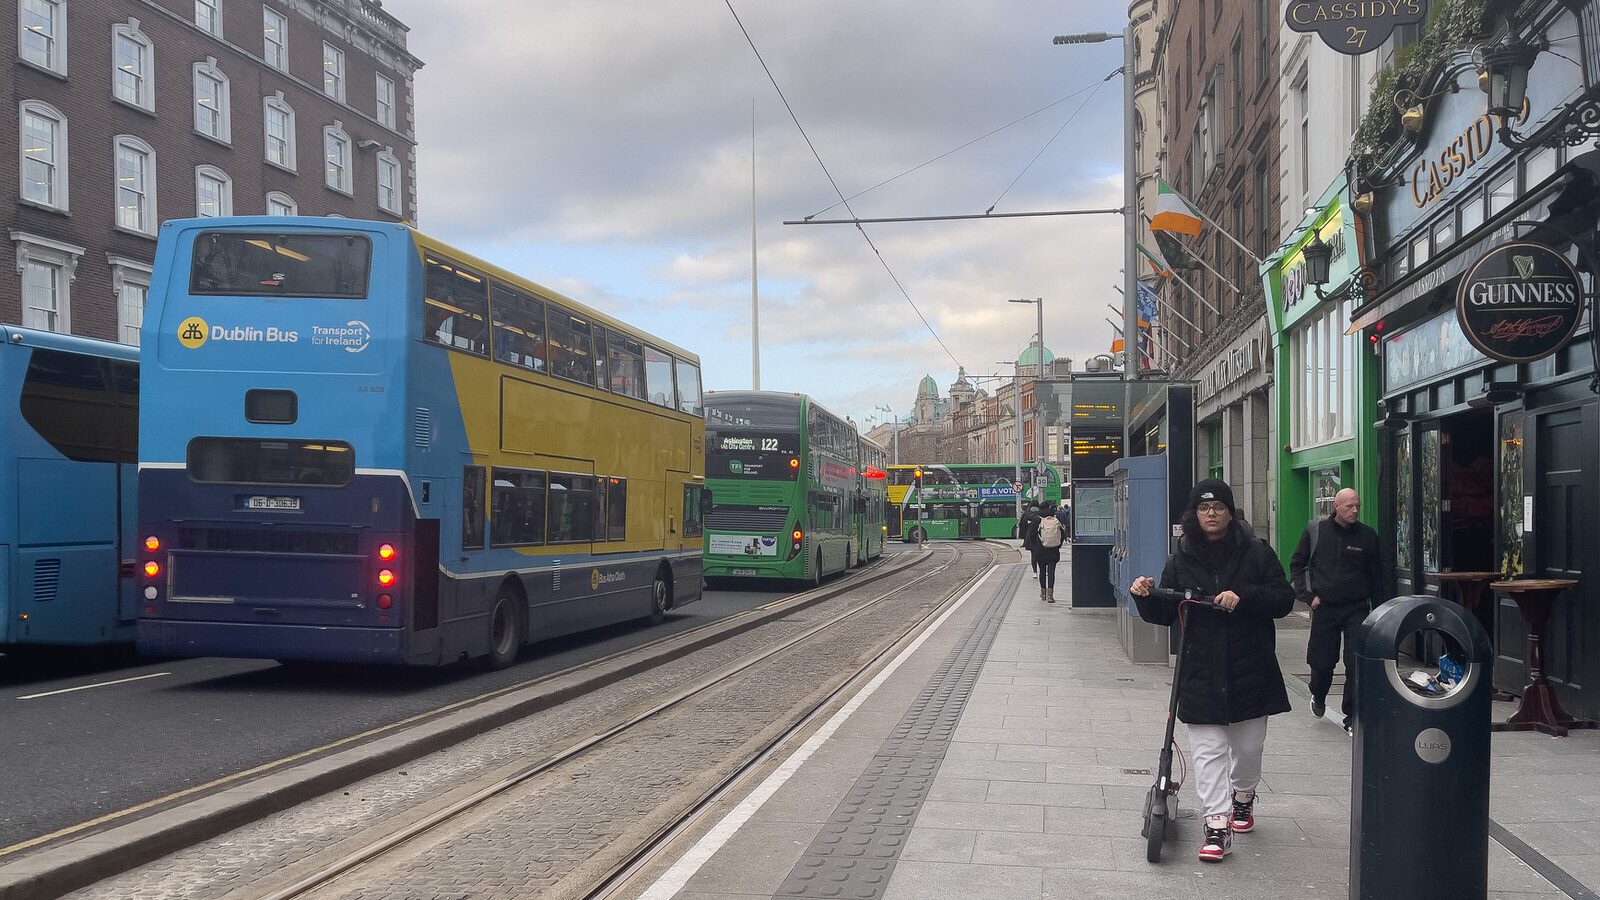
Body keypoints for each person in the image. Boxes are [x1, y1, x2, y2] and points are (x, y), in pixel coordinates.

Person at [1129, 478, 1294, 864]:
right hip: (1200, 668)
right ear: (1194, 515)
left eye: (1219, 507)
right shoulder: (1181, 559)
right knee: (1208, 751)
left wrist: (1245, 596)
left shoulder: (1256, 553)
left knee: (1248, 748)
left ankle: (1244, 796)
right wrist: (1145, 596)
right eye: (1204, 509)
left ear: (1230, 512)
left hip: (1250, 667)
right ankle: (1216, 824)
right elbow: (1167, 613)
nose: (1211, 514)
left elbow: (1284, 599)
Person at [1290, 488, 1384, 733]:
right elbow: (1298, 565)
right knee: (1322, 662)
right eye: (1349, 506)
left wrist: (1381, 611)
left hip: (1356, 608)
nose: (1354, 511)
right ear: (1336, 506)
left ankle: (1351, 716)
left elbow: (1377, 576)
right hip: (1326, 606)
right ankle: (1318, 694)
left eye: (1357, 506)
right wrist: (1309, 597)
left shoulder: (1367, 536)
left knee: (1356, 662)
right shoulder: (1316, 531)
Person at [1032, 500, 1065, 602]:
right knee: (1051, 572)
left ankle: (1043, 594)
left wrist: (1035, 548)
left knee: (1042, 572)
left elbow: (1031, 536)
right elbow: (1063, 535)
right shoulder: (1055, 518)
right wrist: (1057, 546)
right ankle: (1050, 596)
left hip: (1040, 551)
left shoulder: (1036, 519)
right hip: (1053, 550)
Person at [1019, 502, 1042, 574]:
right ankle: (1043, 570)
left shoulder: (1026, 514)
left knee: (1033, 555)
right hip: (1041, 538)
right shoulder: (1041, 514)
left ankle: (1035, 572)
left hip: (1030, 538)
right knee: (1042, 554)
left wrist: (1025, 537)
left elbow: (1022, 525)